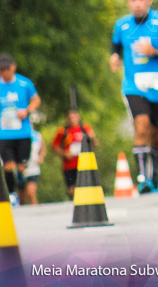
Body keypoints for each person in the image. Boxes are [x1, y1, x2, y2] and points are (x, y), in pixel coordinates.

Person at [110, 0, 158, 193]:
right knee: (141, 126)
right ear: (128, 2)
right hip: (134, 85)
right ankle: (142, 179)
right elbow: (115, 45)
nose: (137, 3)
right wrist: (114, 57)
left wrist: (155, 52)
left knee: (156, 133)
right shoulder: (121, 25)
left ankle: (155, 175)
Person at [0, 53, 41, 205]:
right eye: (1, 70)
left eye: (6, 69)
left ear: (13, 68)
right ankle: (12, 195)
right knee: (8, 166)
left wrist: (27, 110)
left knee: (21, 167)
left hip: (23, 133)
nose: (4, 73)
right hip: (4, 135)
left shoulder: (24, 83)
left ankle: (21, 191)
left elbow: (36, 100)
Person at [51, 109, 99, 200]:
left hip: (84, 163)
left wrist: (92, 139)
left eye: (74, 117)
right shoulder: (63, 131)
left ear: (78, 117)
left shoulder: (85, 129)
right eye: (70, 118)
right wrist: (64, 153)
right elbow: (54, 146)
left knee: (86, 186)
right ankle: (74, 203)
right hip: (69, 165)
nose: (72, 119)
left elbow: (95, 143)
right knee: (71, 189)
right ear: (67, 119)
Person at [17, 127, 45, 205]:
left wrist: (41, 157)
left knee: (31, 192)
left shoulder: (37, 135)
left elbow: (43, 148)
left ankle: (36, 212)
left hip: (33, 168)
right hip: (21, 168)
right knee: (21, 195)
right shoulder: (18, 135)